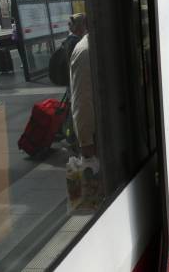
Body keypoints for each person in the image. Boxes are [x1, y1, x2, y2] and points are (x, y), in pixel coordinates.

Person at [70, 33, 101, 209]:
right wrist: (86, 141)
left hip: (98, 132)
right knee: (95, 197)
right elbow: (82, 100)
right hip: (96, 137)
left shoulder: (95, 48)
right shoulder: (86, 52)